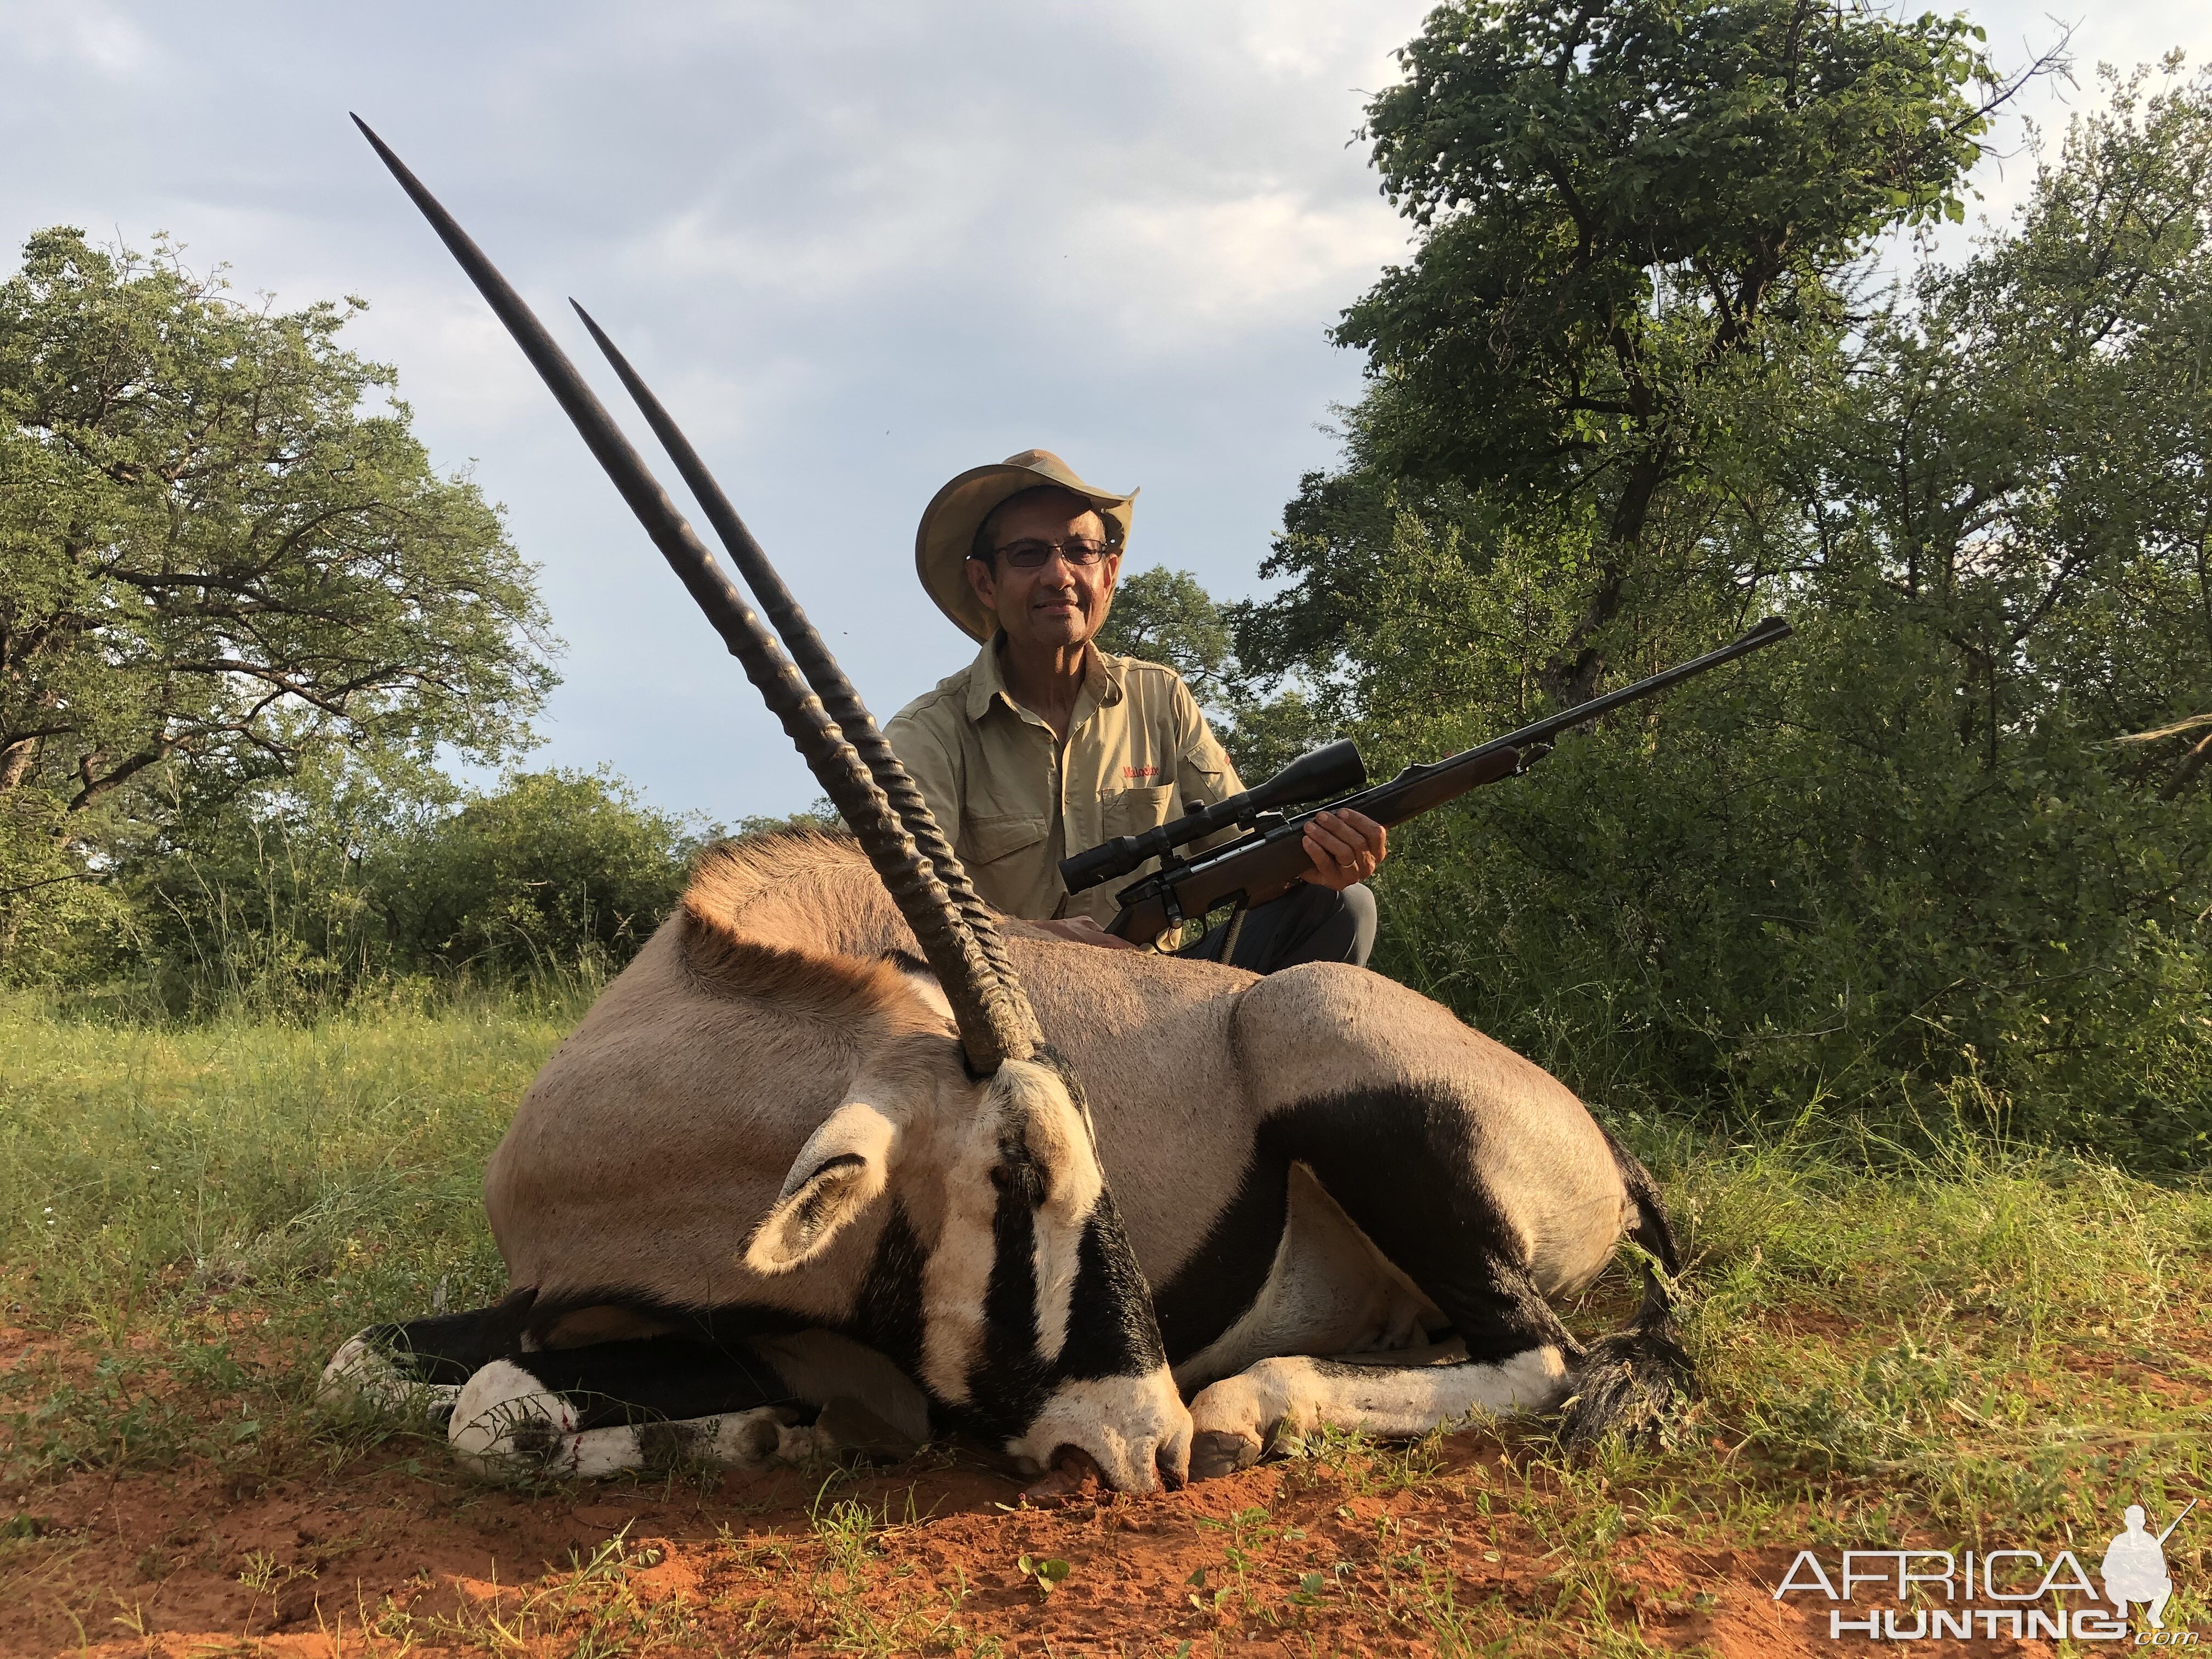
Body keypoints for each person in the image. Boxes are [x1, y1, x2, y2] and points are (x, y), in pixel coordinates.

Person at [883, 449, 1386, 972]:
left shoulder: (1160, 697)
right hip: (1005, 995)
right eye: (1029, 555)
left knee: (1341, 907)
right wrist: (1032, 939)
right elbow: (888, 914)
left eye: (1081, 551)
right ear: (985, 582)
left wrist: (1318, 861)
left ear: (1109, 573)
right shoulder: (929, 735)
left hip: (1159, 994)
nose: (1059, 576)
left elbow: (1245, 858)